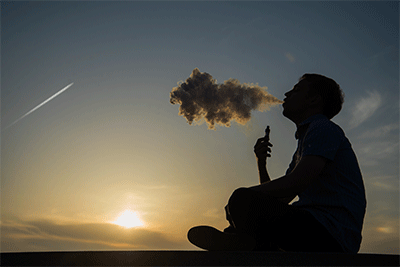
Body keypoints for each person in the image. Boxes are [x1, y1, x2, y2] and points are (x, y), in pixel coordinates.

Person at [187, 74, 367, 253]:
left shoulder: (322, 127)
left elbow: (296, 183)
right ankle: (246, 241)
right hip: (319, 230)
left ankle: (251, 244)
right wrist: (261, 163)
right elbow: (279, 198)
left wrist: (242, 197)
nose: (287, 93)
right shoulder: (305, 144)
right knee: (245, 207)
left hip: (330, 234)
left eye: (296, 90)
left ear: (314, 100)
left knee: (241, 199)